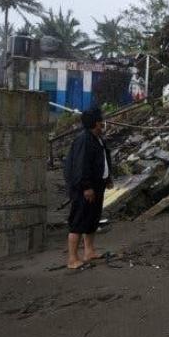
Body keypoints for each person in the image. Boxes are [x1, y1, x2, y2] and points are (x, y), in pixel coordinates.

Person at [63, 107, 113, 269]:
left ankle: (89, 251)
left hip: (97, 185)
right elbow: (81, 166)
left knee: (92, 219)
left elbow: (102, 160)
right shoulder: (84, 140)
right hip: (84, 188)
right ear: (94, 123)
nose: (102, 125)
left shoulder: (96, 138)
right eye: (100, 122)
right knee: (78, 220)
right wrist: (86, 187)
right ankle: (72, 258)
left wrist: (108, 178)